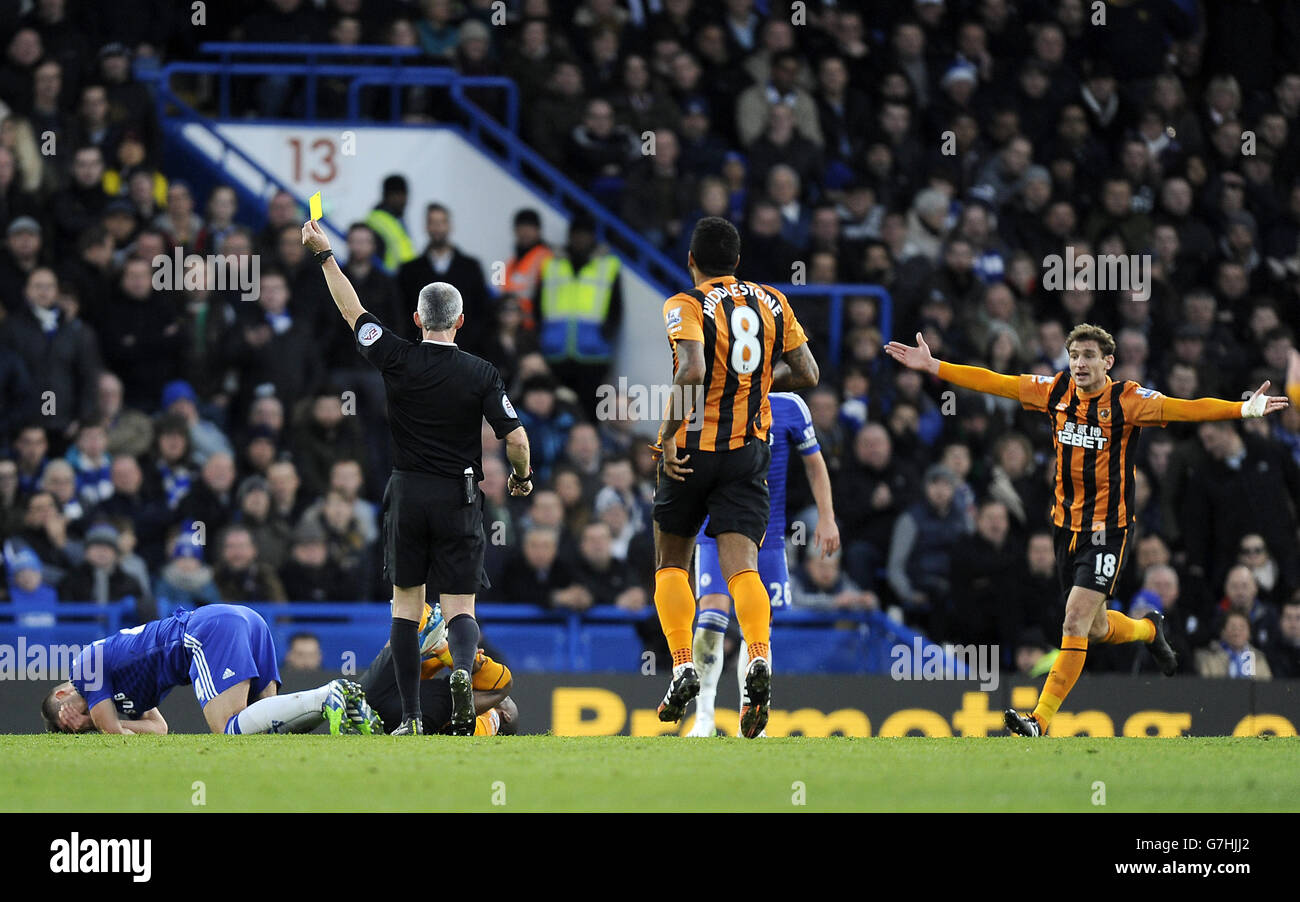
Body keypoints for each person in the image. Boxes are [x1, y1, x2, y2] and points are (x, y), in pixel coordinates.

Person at [885, 323, 1290, 737]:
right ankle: (1150, 629)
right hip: (1066, 528)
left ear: (1108, 362)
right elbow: (996, 383)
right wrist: (936, 366)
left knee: (1074, 619)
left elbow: (1185, 407)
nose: (1079, 363)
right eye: (1074, 355)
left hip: (1108, 530)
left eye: (1088, 356)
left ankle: (1038, 720)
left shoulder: (1128, 400)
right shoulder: (1056, 391)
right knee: (1094, 628)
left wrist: (1241, 409)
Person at [303, 218, 533, 736]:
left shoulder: (396, 356)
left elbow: (351, 310)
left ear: (416, 318)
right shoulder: (481, 373)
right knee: (459, 609)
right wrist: (521, 479)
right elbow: (515, 438)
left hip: (407, 493)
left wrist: (324, 255)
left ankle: (408, 716)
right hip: (459, 495)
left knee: (407, 611)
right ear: (461, 321)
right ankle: (459, 671)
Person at [651, 215, 818, 739]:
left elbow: (693, 369)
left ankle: (681, 665)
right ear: (739, 261)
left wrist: (667, 435)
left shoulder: (684, 304)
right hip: (749, 452)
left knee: (671, 562)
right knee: (743, 567)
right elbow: (808, 373)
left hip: (694, 452)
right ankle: (759, 659)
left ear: (691, 261)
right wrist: (758, 382)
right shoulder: (773, 302)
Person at [688, 391, 840, 737]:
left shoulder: (790, 405)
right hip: (716, 525)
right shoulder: (712, 397)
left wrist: (827, 518)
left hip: (768, 535)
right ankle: (705, 716)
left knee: (756, 626)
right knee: (712, 613)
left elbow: (815, 463)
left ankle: (750, 717)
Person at [40, 604, 378, 735]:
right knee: (267, 734)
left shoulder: (84, 666)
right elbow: (160, 729)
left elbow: (113, 733)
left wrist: (93, 722)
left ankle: (328, 694)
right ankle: (343, 704)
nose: (77, 725)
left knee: (227, 730)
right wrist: (104, 721)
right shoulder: (119, 695)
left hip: (203, 632)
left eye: (68, 719)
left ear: (62, 694)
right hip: (242, 620)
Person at [358, 602, 518, 736]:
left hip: (384, 702)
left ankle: (421, 629)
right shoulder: (443, 692)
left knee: (503, 684)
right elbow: (415, 673)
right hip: (384, 701)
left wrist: (452, 654)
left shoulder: (491, 720)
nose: (502, 699)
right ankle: (431, 638)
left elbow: (468, 729)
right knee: (418, 637)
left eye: (506, 701)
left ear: (506, 716)